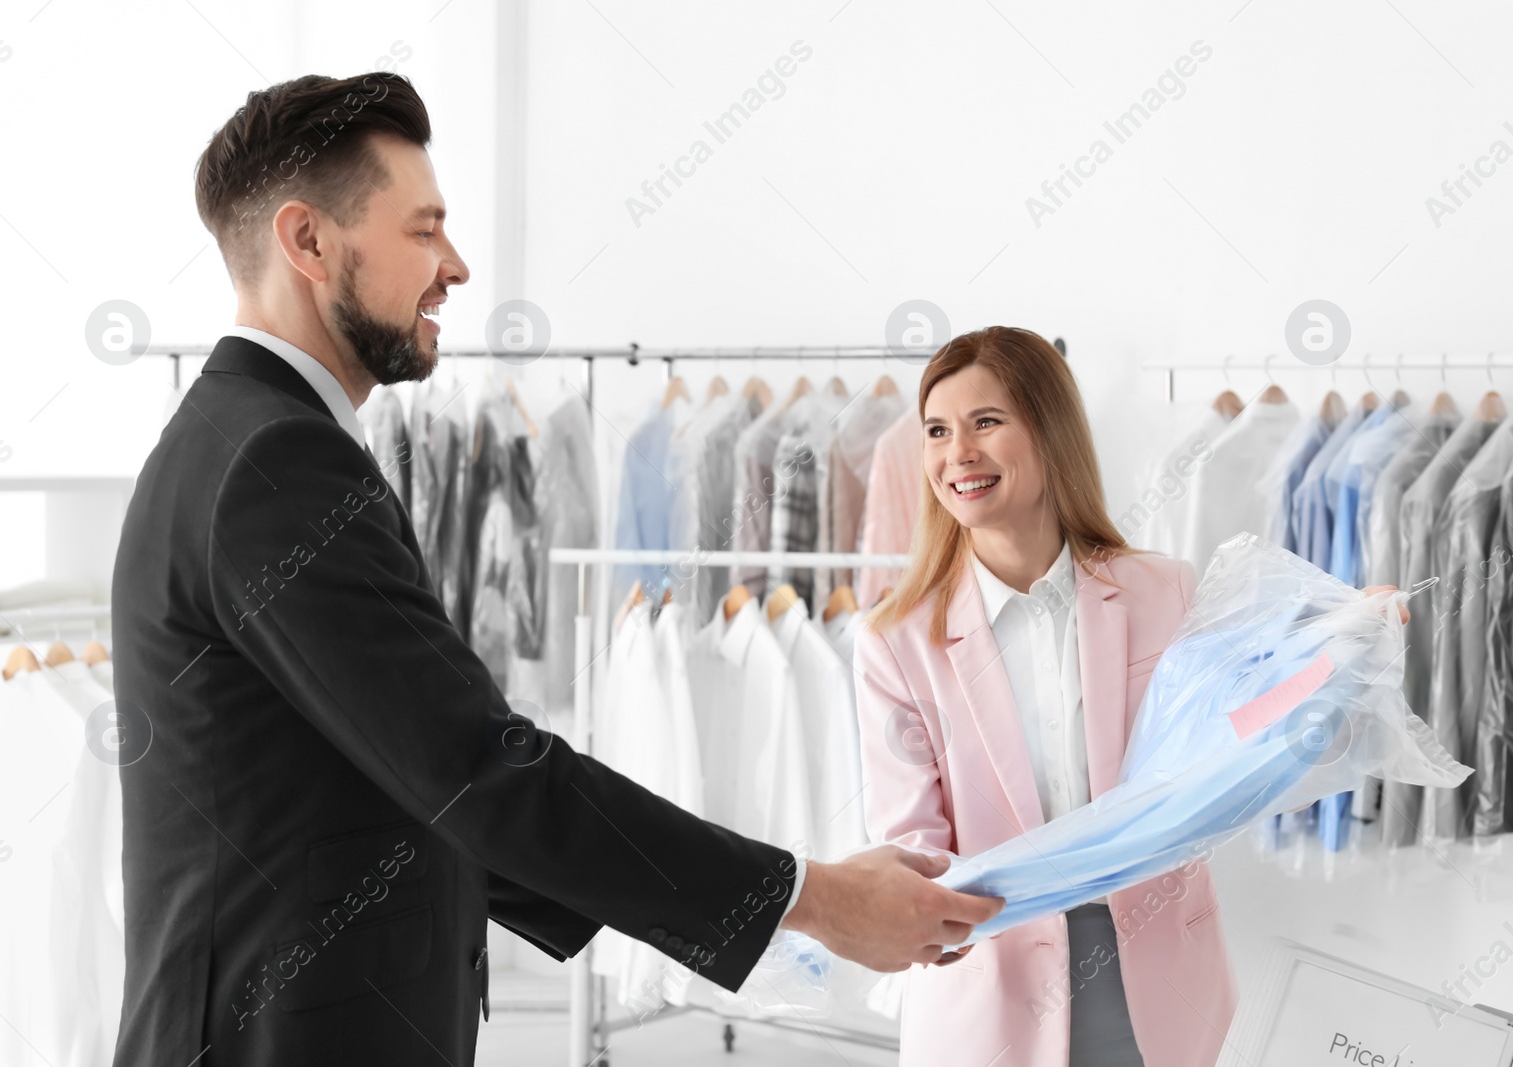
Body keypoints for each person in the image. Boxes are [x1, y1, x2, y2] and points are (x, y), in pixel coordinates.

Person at [110, 72, 1002, 1066]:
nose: (455, 266)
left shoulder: (251, 440)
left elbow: (418, 775)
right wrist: (819, 900)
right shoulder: (275, 460)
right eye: (422, 230)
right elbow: (474, 767)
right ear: (308, 242)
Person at [852, 328, 1401, 1067]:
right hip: (991, 998)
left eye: (986, 422)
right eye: (938, 432)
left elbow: (1238, 733)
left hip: (1161, 983)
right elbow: (914, 846)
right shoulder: (896, 640)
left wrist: (1334, 652)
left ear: (1050, 430)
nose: (958, 454)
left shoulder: (1161, 589)